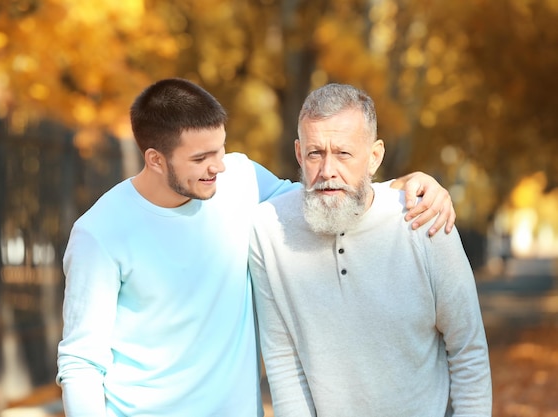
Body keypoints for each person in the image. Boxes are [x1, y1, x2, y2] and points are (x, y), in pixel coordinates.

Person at [56, 78, 457, 417]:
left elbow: (325, 195)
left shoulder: (241, 181)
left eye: (220, 149)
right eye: (201, 157)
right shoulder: (100, 234)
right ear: (156, 160)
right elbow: (81, 362)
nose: (219, 166)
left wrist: (405, 186)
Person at [248, 83, 492, 416]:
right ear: (298, 154)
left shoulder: (423, 221)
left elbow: (468, 352)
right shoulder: (268, 231)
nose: (327, 170)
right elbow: (284, 365)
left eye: (344, 153)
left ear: (374, 156)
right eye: (315, 153)